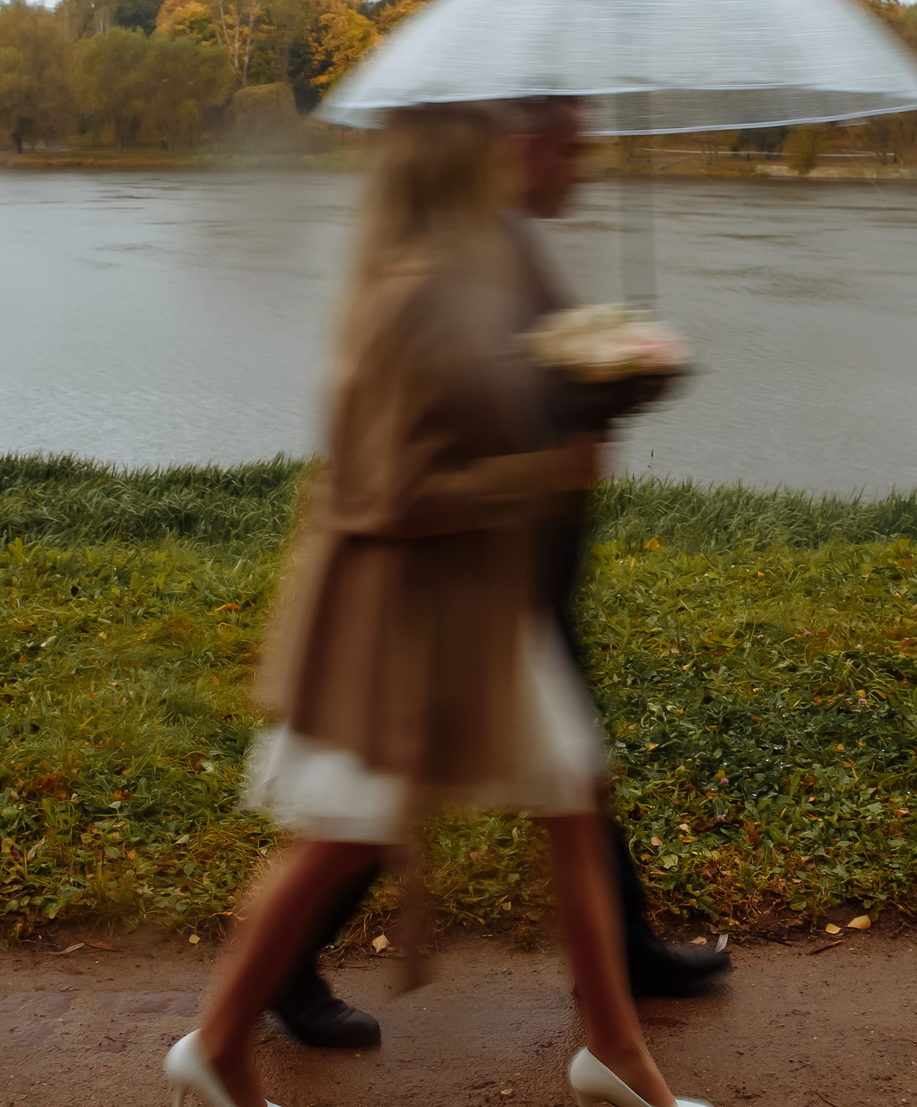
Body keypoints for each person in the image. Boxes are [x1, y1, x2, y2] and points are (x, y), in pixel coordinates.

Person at [165, 103, 710, 1107]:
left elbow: (491, 401)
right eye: (487, 149)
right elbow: (397, 491)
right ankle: (217, 1040)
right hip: (404, 622)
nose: (513, 162)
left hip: (475, 603)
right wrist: (545, 471)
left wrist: (602, 381)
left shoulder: (461, 274)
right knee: (347, 833)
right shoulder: (412, 292)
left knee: (571, 793)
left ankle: (616, 1054)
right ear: (452, 167)